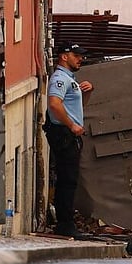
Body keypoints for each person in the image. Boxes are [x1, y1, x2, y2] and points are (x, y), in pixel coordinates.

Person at [44, 42, 94, 238]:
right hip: (63, 133)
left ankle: (66, 222)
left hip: (70, 133)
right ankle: (65, 224)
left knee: (70, 179)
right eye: (76, 55)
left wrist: (87, 92)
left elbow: (78, 108)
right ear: (64, 57)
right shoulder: (59, 79)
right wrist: (71, 125)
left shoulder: (69, 79)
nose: (80, 58)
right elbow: (54, 105)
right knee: (67, 179)